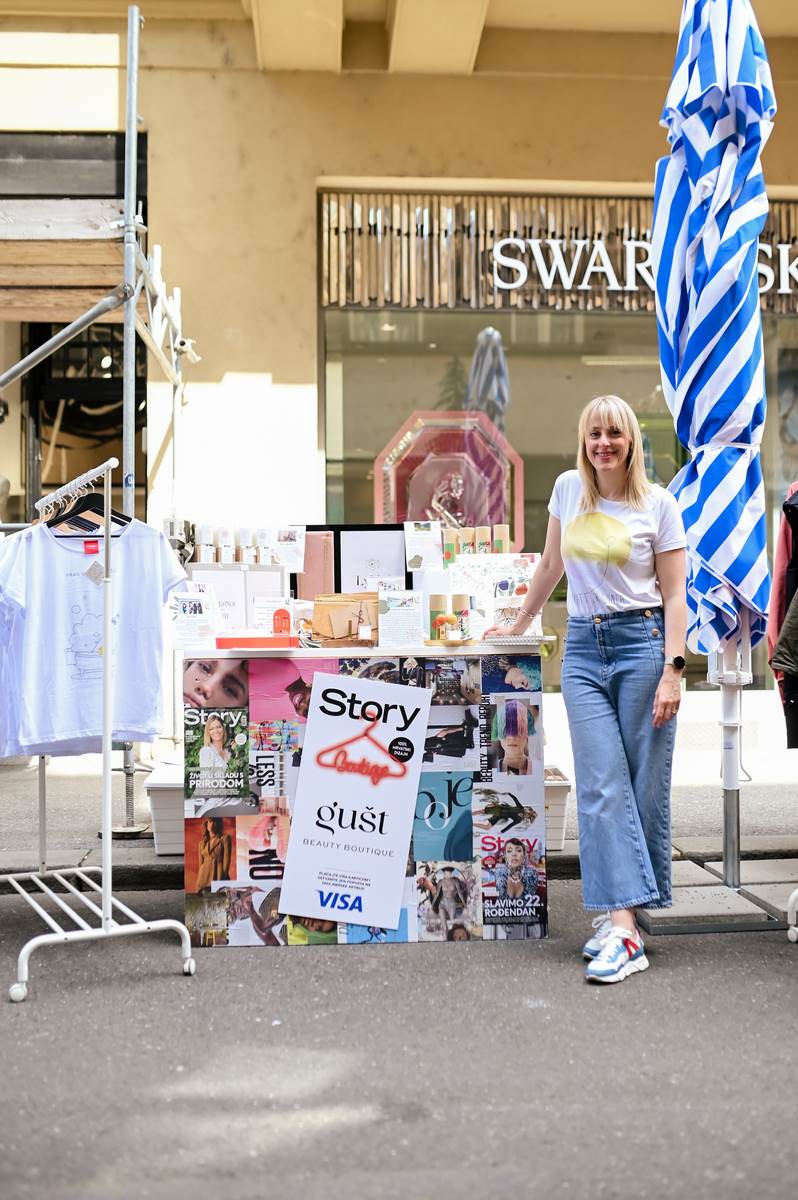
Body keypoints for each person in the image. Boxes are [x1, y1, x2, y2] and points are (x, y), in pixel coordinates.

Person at [484, 394, 687, 986]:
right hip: (580, 650)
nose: (604, 444)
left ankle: (625, 915)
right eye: (595, 433)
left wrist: (674, 669)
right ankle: (622, 925)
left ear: (631, 442)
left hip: (642, 647)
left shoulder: (659, 505)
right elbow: (550, 566)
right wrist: (519, 624)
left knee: (641, 787)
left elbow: (675, 596)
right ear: (584, 439)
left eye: (615, 434)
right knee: (600, 783)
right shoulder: (569, 489)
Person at [489, 699, 533, 774]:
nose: (512, 738)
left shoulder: (538, 769)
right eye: (506, 731)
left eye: (518, 731)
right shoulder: (489, 771)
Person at [195, 817, 233, 891]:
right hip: (204, 877)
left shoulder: (224, 838)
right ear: (206, 824)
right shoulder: (201, 843)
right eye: (210, 822)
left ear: (218, 824)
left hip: (219, 875)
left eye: (214, 822)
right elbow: (201, 865)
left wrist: (223, 877)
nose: (212, 824)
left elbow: (226, 861)